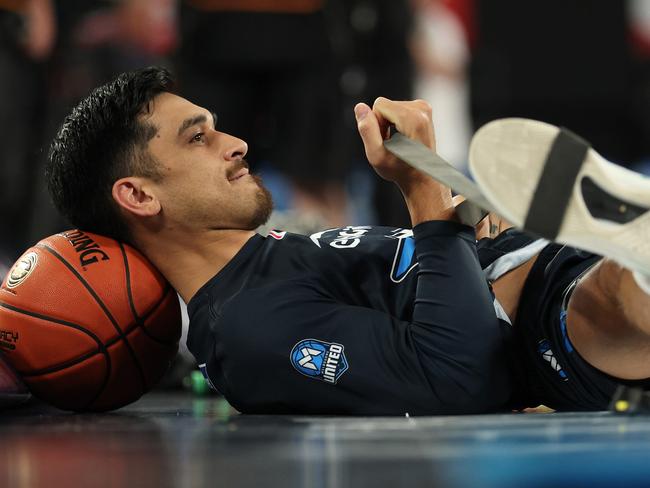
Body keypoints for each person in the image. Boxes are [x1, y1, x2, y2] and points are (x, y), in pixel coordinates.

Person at [45, 67, 650, 414]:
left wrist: (456, 221)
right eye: (196, 138)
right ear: (141, 196)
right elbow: (459, 376)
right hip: (556, 333)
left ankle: (625, 234)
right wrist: (424, 194)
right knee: (617, 299)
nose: (235, 144)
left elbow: (423, 278)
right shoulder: (247, 330)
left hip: (548, 262)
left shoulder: (269, 251)